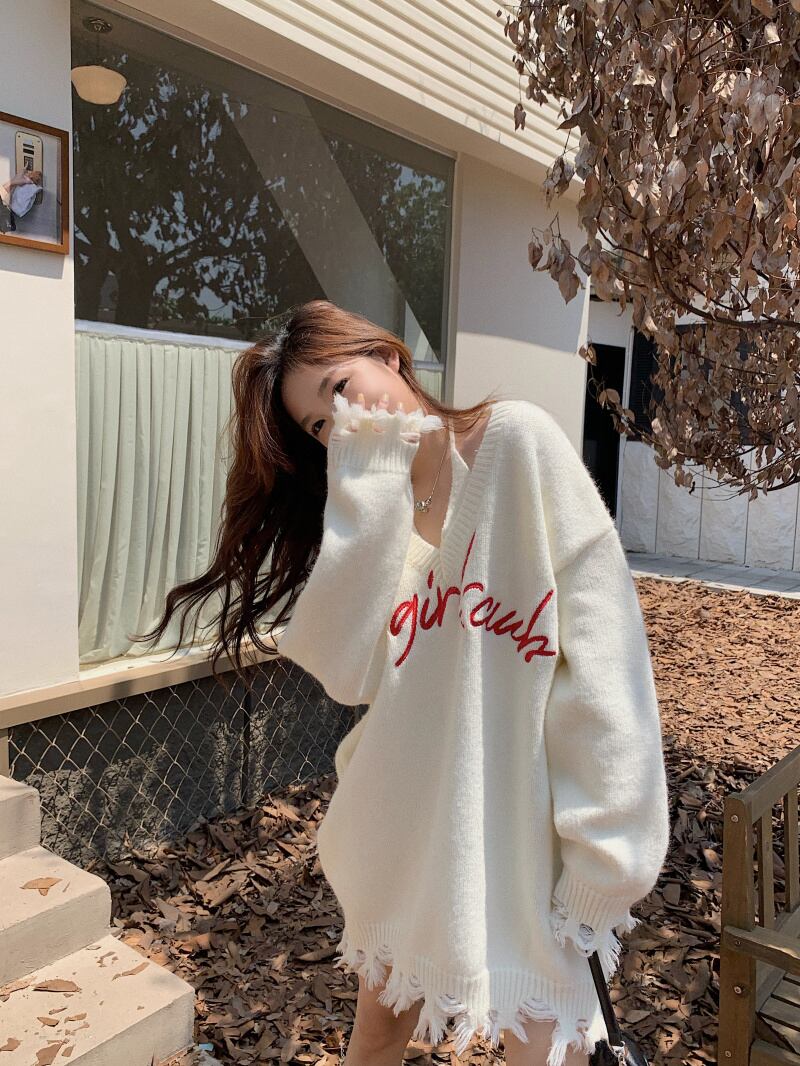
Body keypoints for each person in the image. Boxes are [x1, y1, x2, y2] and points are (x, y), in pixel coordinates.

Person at [134, 299, 671, 1066]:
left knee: (541, 1048)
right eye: (320, 426)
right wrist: (371, 494)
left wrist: (605, 861)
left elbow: (606, 662)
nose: (342, 423)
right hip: (407, 840)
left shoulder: (515, 444)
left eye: (340, 389)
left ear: (388, 356)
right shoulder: (371, 510)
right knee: (377, 1039)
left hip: (526, 845)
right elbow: (349, 674)